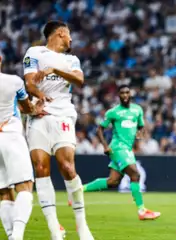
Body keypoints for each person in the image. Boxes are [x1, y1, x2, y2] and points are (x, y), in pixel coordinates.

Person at [23, 20, 93, 240]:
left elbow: (80, 79)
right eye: (69, 35)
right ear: (61, 33)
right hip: (39, 115)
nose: (71, 39)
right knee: (41, 168)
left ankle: (82, 228)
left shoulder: (71, 59)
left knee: (67, 167)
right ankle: (54, 230)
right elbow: (29, 83)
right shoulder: (34, 52)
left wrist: (55, 70)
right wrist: (38, 96)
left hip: (63, 114)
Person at [82, 85, 161, 220]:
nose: (125, 95)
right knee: (135, 174)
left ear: (130, 95)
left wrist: (139, 135)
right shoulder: (113, 112)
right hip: (117, 147)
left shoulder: (137, 110)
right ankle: (142, 211)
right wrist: (105, 146)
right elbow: (99, 129)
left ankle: (80, 189)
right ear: (118, 96)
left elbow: (141, 127)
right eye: (122, 93)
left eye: (127, 92)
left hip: (127, 149)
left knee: (113, 182)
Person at [0, 54, 46, 240]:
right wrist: (37, 108)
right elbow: (27, 107)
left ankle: (11, 235)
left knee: (4, 191)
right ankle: (17, 236)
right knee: (25, 187)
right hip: (10, 136)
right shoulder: (14, 81)